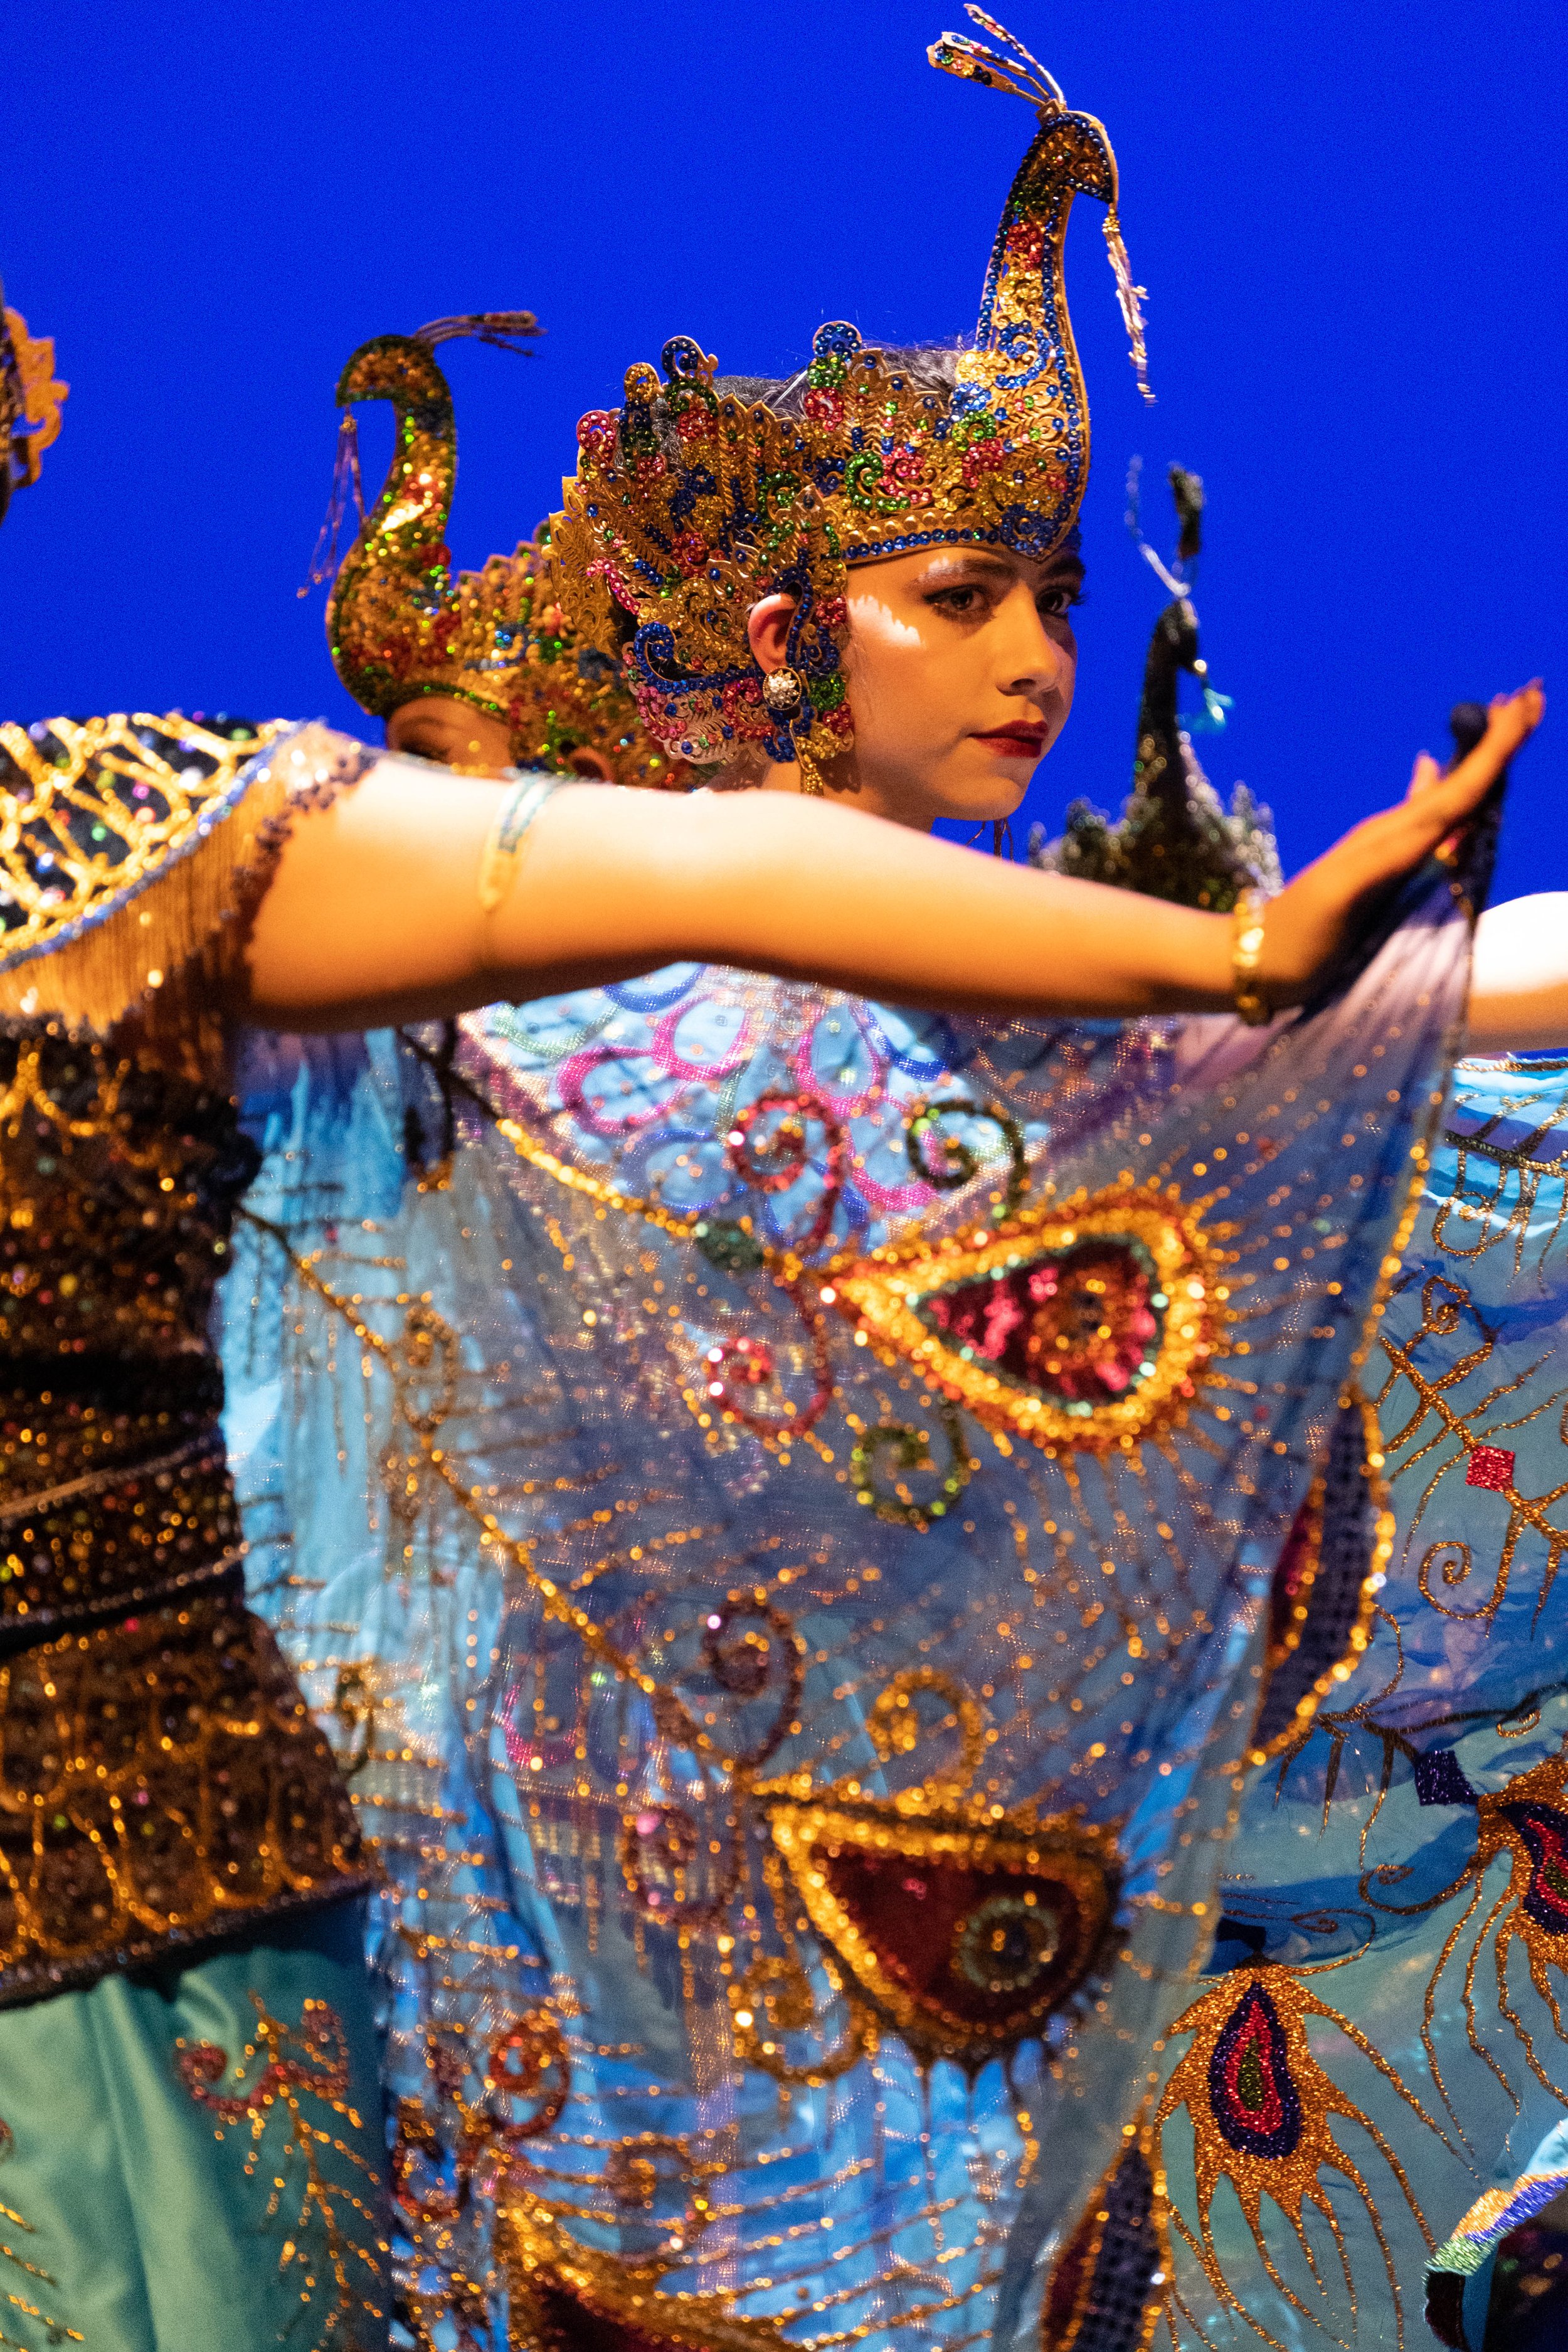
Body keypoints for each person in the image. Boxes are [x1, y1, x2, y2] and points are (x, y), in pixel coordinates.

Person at [224, 18, 1559, 2350]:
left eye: (1054, 595)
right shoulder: (642, 1023)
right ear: (779, 639)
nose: (1039, 657)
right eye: (963, 596)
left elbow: (1323, 1056)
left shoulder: (982, 1002)